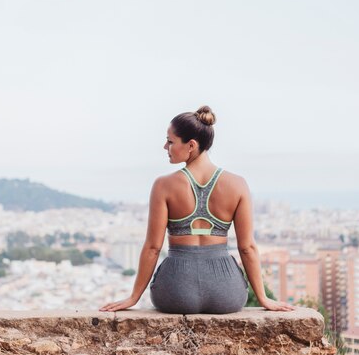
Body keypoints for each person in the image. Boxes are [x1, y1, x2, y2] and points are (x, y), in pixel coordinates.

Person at [99, 105, 295, 314]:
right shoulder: (238, 184)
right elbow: (247, 247)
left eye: (170, 141)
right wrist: (263, 298)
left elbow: (153, 248)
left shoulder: (163, 186)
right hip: (226, 293)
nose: (166, 146)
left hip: (175, 292)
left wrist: (133, 297)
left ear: (191, 145)